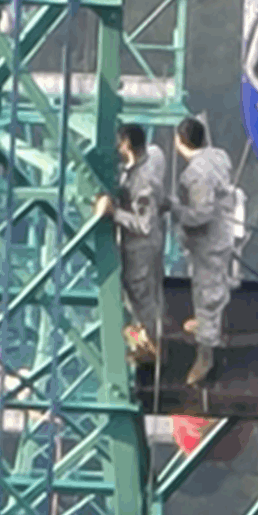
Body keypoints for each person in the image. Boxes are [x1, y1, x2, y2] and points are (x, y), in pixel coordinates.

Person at [165, 115, 241, 386]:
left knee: (206, 293)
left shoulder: (195, 175)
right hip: (223, 232)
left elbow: (201, 215)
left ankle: (205, 355)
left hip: (208, 240)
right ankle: (206, 323)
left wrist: (174, 209)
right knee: (213, 282)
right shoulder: (218, 156)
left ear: (180, 142)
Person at [94, 123, 166, 365]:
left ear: (126, 144)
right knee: (139, 299)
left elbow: (144, 224)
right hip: (144, 244)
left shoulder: (142, 180)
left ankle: (150, 347)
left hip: (140, 247)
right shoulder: (146, 162)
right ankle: (143, 342)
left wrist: (115, 213)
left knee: (139, 299)